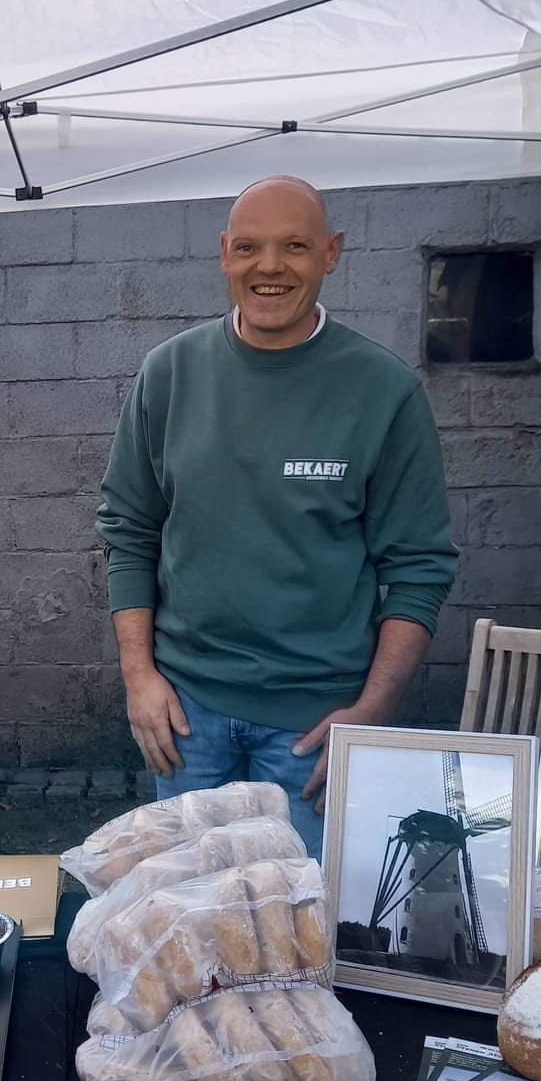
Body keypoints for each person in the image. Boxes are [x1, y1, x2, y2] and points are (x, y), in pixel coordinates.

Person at [96, 175, 457, 855]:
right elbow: (129, 532)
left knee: (302, 931)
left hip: (315, 729)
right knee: (190, 925)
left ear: (330, 254)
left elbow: (419, 566)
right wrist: (139, 676)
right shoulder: (168, 375)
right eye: (250, 248)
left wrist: (372, 710)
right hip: (185, 719)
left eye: (294, 246)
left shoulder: (383, 390)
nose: (270, 267)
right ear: (224, 254)